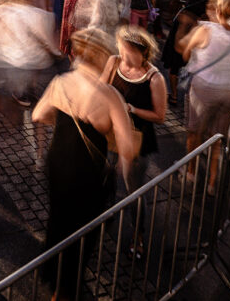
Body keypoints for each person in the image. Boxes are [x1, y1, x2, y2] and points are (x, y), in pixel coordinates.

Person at [32, 27, 138, 301]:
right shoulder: (111, 95)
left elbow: (38, 115)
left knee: (58, 219)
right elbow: (127, 148)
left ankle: (52, 275)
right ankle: (66, 290)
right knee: (82, 231)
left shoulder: (61, 81)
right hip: (87, 170)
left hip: (58, 161)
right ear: (104, 56)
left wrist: (66, 121)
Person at [0, 0, 59, 167]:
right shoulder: (44, 16)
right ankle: (39, 154)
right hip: (34, 71)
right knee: (38, 112)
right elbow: (51, 48)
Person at [180, 0, 230, 194]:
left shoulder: (206, 29)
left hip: (205, 87)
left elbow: (184, 52)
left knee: (195, 132)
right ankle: (212, 182)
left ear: (218, 10)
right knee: (218, 136)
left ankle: (191, 172)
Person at [102, 25, 166, 194]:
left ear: (139, 51)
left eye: (123, 49)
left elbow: (160, 116)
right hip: (111, 133)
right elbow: (100, 90)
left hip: (138, 137)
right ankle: (107, 217)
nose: (120, 52)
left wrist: (132, 109)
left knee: (133, 188)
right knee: (107, 179)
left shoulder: (155, 78)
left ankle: (137, 220)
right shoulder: (114, 61)